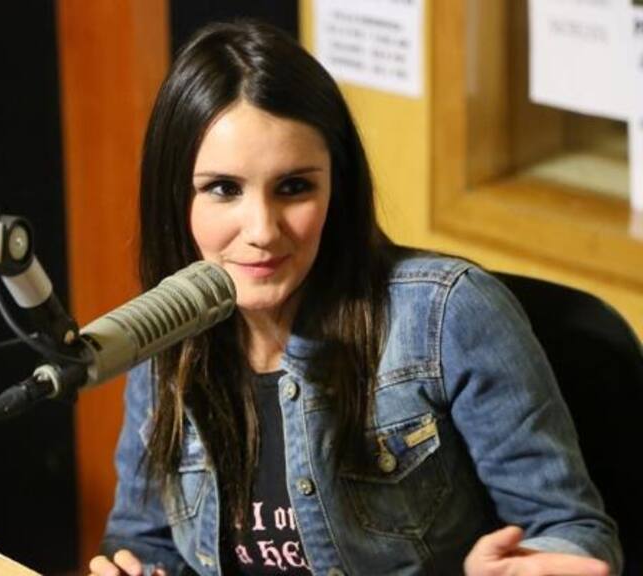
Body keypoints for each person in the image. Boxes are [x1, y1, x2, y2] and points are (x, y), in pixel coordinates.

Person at [88, 20, 622, 576]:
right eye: (224, 189)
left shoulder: (448, 315)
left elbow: (572, 530)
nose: (263, 230)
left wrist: (537, 563)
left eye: (294, 187)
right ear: (177, 196)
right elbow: (143, 539)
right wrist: (130, 567)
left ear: (335, 188)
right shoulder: (166, 336)